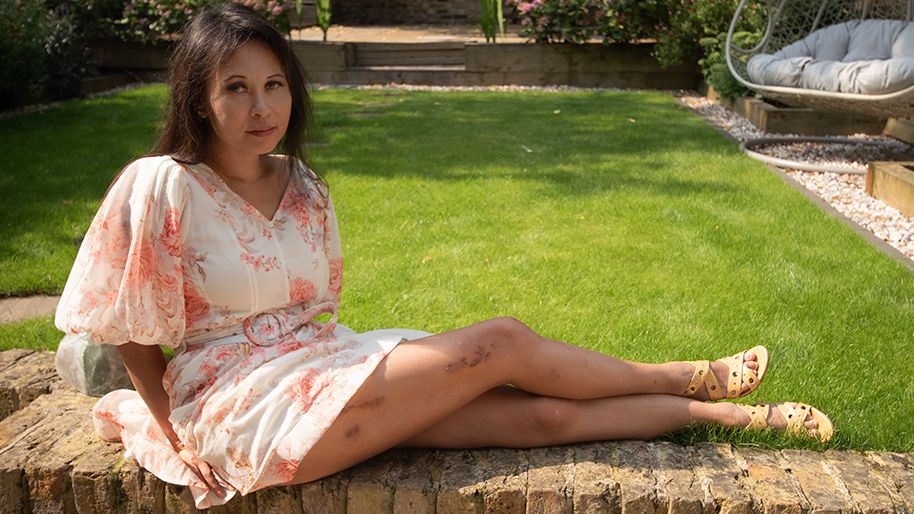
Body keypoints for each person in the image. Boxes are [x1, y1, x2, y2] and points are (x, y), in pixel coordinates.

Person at [54, 2, 834, 509]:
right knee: (497, 343)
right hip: (236, 403)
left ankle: (730, 413)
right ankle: (687, 371)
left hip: (319, 371)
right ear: (198, 98)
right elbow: (126, 325)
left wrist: (340, 363)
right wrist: (179, 435)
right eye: (235, 89)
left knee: (546, 417)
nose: (261, 108)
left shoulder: (304, 185)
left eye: (274, 86)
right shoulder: (162, 185)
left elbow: (317, 314)